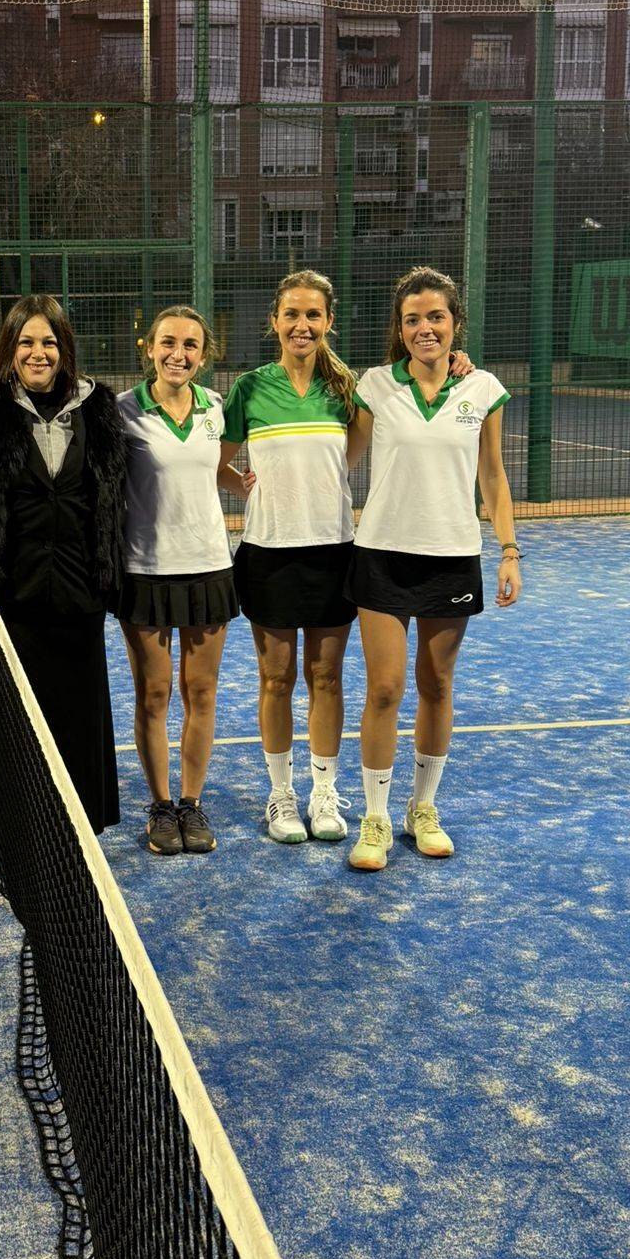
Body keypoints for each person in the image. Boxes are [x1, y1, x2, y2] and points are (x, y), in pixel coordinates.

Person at [346, 264, 522, 872]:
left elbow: (492, 475)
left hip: (452, 556)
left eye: (436, 317)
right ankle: (373, 817)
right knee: (385, 688)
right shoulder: (374, 386)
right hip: (381, 555)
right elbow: (342, 457)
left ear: (455, 323)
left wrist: (509, 550)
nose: (426, 328)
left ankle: (423, 808)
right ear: (399, 329)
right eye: (413, 319)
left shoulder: (483, 389)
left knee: (437, 685)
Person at [0, 295, 126, 835]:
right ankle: (23, 829)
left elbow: (112, 495)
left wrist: (107, 573)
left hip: (79, 587)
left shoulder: (98, 407)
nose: (37, 353)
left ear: (64, 347)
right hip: (9, 591)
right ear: (9, 348)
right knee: (17, 721)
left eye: (48, 341)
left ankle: (81, 828)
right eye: (26, 342)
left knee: (77, 710)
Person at [218, 272, 359, 847]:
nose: (302, 325)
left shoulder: (349, 391)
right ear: (274, 321)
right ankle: (281, 794)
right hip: (269, 553)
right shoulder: (249, 388)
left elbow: (352, 458)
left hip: (333, 551)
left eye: (313, 315)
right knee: (276, 678)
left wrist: (459, 363)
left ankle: (324, 792)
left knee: (326, 676)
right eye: (292, 314)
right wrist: (247, 486)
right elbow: (218, 463)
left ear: (328, 322)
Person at [116, 305, 237, 855]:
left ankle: (191, 802)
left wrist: (244, 481)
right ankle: (161, 807)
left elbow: (214, 468)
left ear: (203, 356)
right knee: (155, 693)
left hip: (209, 567)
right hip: (145, 572)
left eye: (190, 345)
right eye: (168, 343)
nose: (178, 354)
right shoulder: (121, 410)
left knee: (201, 691)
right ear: (149, 347)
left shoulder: (216, 406)